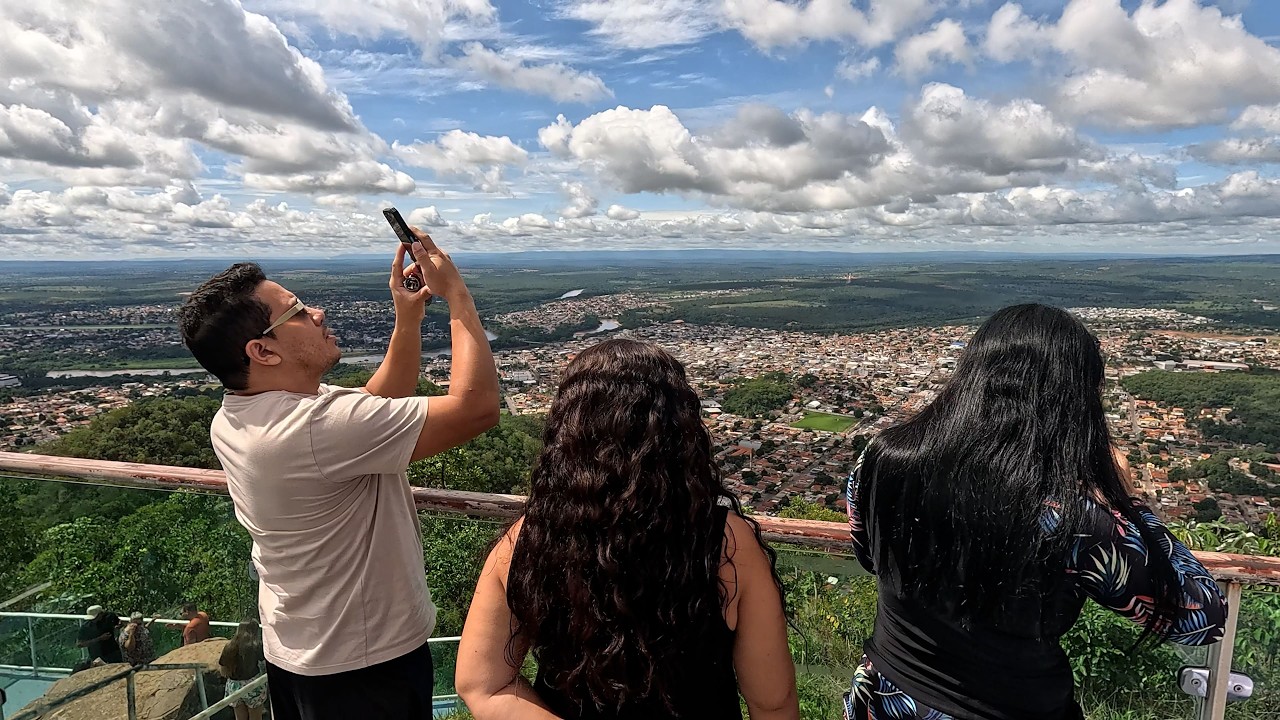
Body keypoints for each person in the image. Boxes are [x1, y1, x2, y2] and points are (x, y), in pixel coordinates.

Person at [843, 304, 1228, 720]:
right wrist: (1121, 499)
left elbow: (869, 554)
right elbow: (1200, 618)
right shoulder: (1070, 516)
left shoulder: (882, 459)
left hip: (882, 699)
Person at [177, 226, 499, 720]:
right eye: (299, 312)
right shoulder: (313, 429)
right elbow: (477, 408)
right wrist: (458, 295)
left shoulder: (243, 414)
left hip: (298, 648)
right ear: (263, 351)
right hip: (363, 665)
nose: (317, 314)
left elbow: (377, 402)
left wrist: (407, 319)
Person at [456, 338, 798, 720]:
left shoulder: (525, 540)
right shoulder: (727, 545)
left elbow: (483, 684)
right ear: (679, 429)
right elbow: (773, 703)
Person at [219, 619, 269, 720]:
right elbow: (265, 664)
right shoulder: (256, 645)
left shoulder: (229, 646)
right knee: (256, 718)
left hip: (234, 685)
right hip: (253, 685)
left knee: (240, 718)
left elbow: (223, 669)